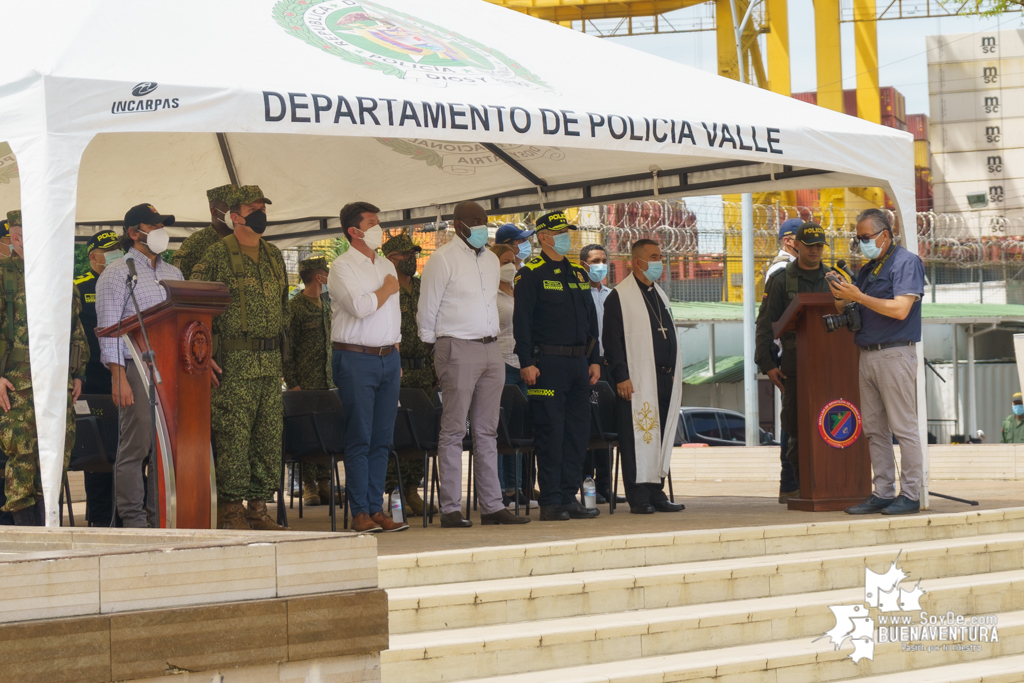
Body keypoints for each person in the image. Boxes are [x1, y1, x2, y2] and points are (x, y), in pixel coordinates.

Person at [418, 201, 528, 528]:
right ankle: (451, 507)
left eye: (485, 220)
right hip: (456, 346)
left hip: (491, 348)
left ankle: (492, 505)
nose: (482, 225)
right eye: (475, 220)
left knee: (487, 430)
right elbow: (428, 308)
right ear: (458, 225)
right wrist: (435, 348)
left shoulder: (492, 261)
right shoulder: (442, 259)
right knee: (453, 429)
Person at [191, 186, 290, 531]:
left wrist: (286, 366)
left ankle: (258, 509)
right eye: (254, 208)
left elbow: (284, 310)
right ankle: (231, 511)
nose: (261, 213)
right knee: (234, 438)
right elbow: (194, 311)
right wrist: (203, 357)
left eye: (264, 207)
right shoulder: (217, 256)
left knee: (267, 437)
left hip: (269, 363)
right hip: (233, 364)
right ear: (235, 216)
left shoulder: (275, 255)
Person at [830, 208, 925, 517]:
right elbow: (851, 305)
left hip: (895, 352)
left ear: (886, 235)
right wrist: (842, 292)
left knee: (903, 427)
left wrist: (859, 294)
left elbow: (899, 309)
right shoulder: (869, 268)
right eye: (859, 238)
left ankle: (910, 494)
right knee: (874, 429)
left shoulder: (905, 262)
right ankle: (882, 492)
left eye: (866, 237)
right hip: (868, 353)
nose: (863, 243)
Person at [96, 206, 183, 528]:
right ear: (134, 232)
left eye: (163, 225)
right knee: (137, 446)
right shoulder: (118, 273)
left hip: (174, 370)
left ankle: (159, 516)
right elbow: (108, 328)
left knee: (165, 449)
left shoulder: (174, 273)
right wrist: (119, 377)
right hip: (135, 365)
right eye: (155, 226)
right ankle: (133, 519)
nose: (162, 231)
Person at [513, 210, 602, 521]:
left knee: (577, 433)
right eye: (561, 232)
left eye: (568, 231)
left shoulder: (578, 273)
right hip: (547, 363)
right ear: (544, 237)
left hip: (579, 363)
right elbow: (521, 323)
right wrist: (526, 363)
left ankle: (568, 496)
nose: (567, 236)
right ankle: (550, 500)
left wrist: (595, 359)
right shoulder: (531, 273)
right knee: (551, 432)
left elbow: (592, 322)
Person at [0, 210, 88, 526]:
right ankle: (29, 537)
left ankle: (48, 529)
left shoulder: (61, 277)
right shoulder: (4, 273)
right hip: (17, 381)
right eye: (20, 235)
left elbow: (75, 327)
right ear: (15, 237)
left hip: (57, 380)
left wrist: (78, 373)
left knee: (55, 456)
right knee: (22, 457)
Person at [328, 201, 407, 533]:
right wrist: (387, 289)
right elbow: (360, 307)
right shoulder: (342, 267)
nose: (379, 228)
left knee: (382, 438)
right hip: (356, 357)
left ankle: (376, 509)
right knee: (360, 436)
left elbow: (393, 315)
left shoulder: (386, 262)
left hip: (389, 357)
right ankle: (359, 511)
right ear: (354, 231)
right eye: (372, 223)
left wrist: (396, 349)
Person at [602, 239, 686, 514]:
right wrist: (621, 376)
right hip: (636, 382)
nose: (659, 261)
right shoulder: (619, 296)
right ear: (638, 262)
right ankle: (639, 496)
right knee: (636, 437)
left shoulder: (659, 295)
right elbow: (612, 341)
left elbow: (667, 334)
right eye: (653, 256)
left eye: (660, 256)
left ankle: (656, 492)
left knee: (659, 436)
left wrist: (672, 372)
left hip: (663, 378)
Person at [754, 222, 833, 497]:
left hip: (832, 366)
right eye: (809, 245)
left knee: (831, 421)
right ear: (795, 245)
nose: (815, 251)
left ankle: (829, 481)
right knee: (795, 428)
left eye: (819, 246)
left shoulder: (834, 278)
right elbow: (765, 324)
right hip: (794, 365)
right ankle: (797, 486)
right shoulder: (781, 279)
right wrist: (767, 365)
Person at [381, 232, 436, 517]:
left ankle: (413, 488)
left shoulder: (423, 287)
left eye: (413, 254)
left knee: (421, 431)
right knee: (394, 432)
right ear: (389, 259)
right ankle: (394, 491)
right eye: (404, 255)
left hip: (423, 371)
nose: (410, 260)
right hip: (396, 370)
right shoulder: (384, 287)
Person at [74, 229, 121, 526]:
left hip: (124, 380)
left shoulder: (126, 284)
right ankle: (101, 519)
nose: (116, 255)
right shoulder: (78, 286)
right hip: (93, 383)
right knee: (99, 458)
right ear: (93, 257)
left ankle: (124, 516)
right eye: (109, 251)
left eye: (118, 249)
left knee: (124, 452)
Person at [284, 255, 335, 507]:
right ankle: (309, 485)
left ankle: (326, 482)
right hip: (304, 382)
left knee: (326, 429)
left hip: (326, 380)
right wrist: (292, 381)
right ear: (319, 277)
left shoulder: (326, 305)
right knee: (307, 433)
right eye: (326, 273)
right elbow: (288, 349)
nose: (329, 278)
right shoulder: (295, 308)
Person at [579, 243, 621, 505]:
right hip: (586, 366)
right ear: (584, 264)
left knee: (607, 426)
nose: (600, 265)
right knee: (587, 429)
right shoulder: (579, 293)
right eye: (595, 260)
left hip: (609, 366)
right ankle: (586, 485)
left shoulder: (611, 295)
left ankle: (606, 487)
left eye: (604, 260)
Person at [764, 218, 803, 502]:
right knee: (792, 419)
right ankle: (789, 481)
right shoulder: (781, 271)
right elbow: (772, 319)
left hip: (806, 353)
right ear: (790, 241)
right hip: (788, 354)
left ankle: (795, 480)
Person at [491, 243, 532, 507]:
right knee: (498, 430)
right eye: (504, 261)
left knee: (518, 429)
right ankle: (498, 489)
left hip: (523, 366)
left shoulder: (520, 292)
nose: (511, 265)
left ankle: (515, 487)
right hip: (500, 364)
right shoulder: (488, 295)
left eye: (513, 261)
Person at [173, 184, 237, 280]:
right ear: (214, 212)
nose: (236, 211)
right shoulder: (194, 244)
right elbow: (178, 283)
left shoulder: (248, 239)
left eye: (237, 207)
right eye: (230, 207)